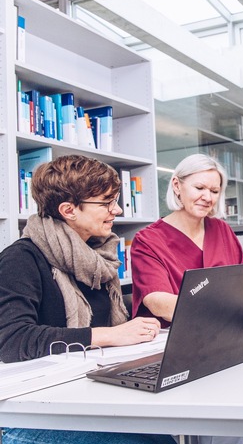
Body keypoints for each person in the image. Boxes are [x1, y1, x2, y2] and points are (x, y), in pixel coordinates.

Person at [0, 155, 172, 444]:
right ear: (69, 210)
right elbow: (12, 340)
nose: (116, 209)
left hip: (84, 392)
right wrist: (110, 335)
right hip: (28, 413)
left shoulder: (98, 257)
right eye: (106, 202)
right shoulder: (20, 259)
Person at [132, 154, 243, 326]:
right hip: (175, 336)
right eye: (199, 188)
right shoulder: (148, 240)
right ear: (177, 185)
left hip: (228, 329)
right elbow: (157, 302)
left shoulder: (222, 230)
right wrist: (220, 309)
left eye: (214, 191)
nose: (208, 198)